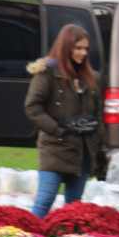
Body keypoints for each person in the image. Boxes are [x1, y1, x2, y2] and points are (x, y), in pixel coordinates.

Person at [25, 23, 104, 218]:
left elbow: (98, 116)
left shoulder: (91, 77)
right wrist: (59, 128)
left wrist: (98, 145)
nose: (83, 53)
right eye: (78, 48)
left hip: (82, 152)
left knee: (73, 210)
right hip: (55, 147)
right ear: (66, 47)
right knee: (44, 202)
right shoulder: (47, 73)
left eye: (85, 48)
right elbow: (33, 107)